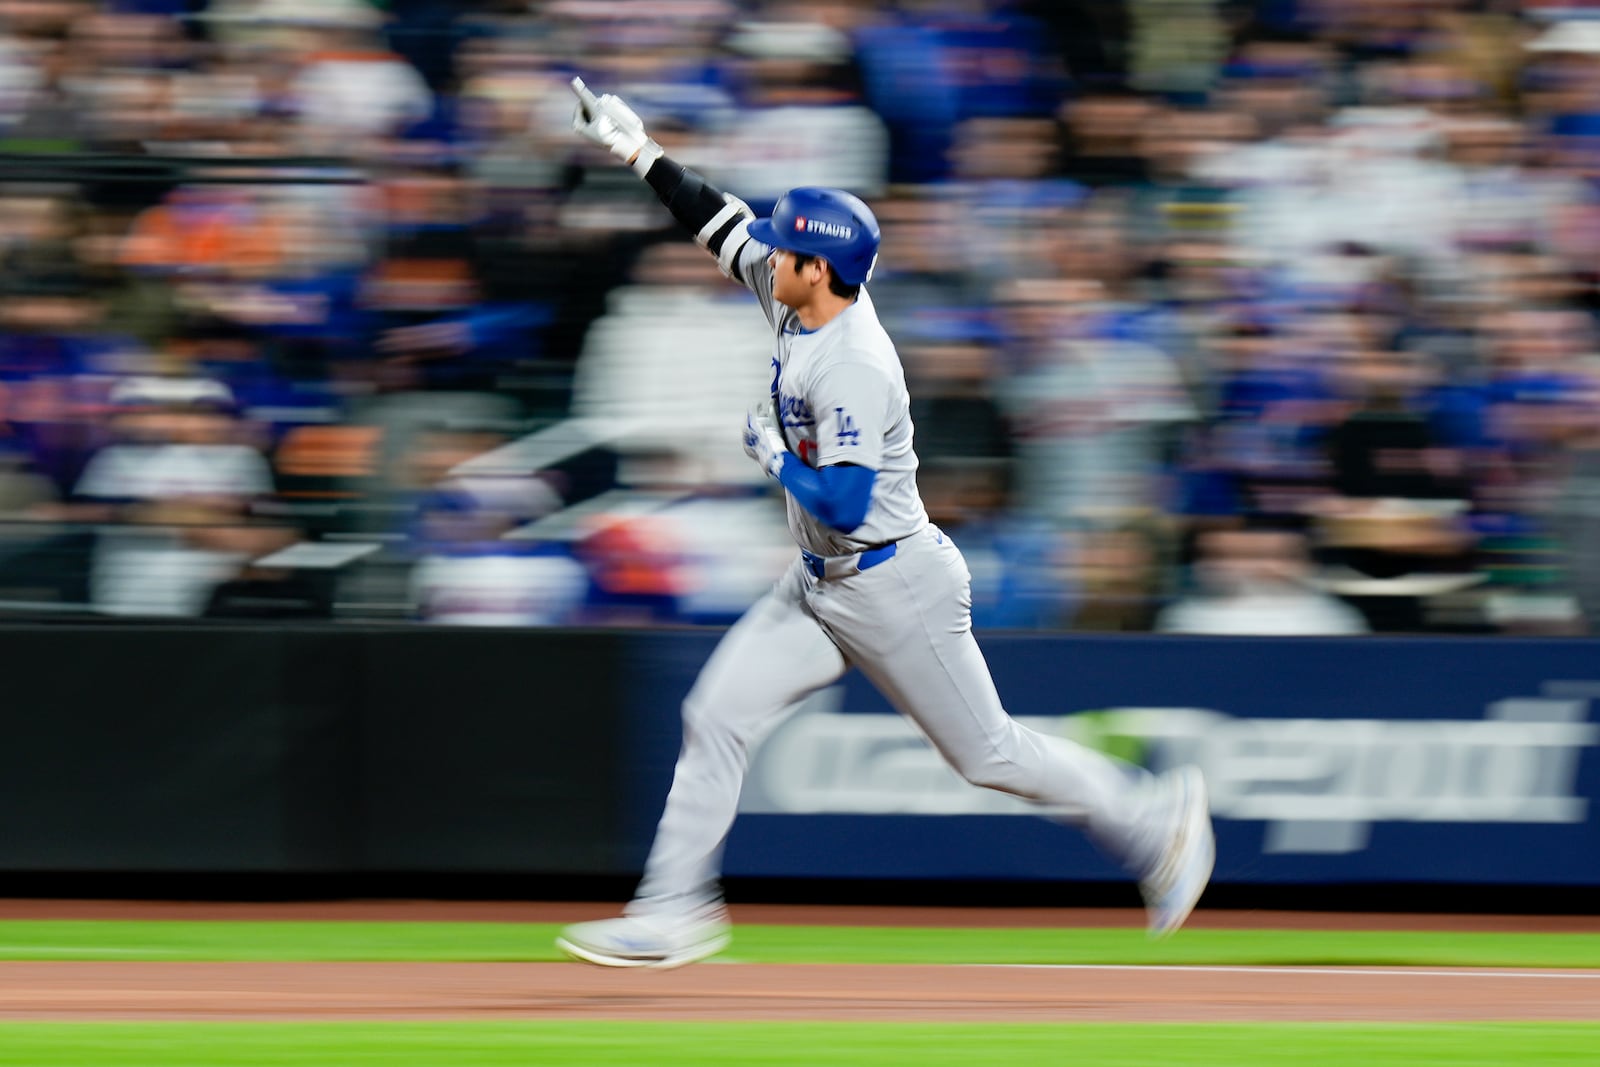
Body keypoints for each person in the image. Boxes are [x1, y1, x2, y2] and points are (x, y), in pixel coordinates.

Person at [556, 78, 1214, 969]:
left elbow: (848, 502)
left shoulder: (855, 361)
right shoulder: (798, 293)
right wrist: (636, 149)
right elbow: (717, 219)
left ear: (817, 269)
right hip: (819, 584)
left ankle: (1151, 818)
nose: (768, 251)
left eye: (786, 247)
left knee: (989, 755)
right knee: (713, 715)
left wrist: (773, 458)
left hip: (892, 581)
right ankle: (676, 910)